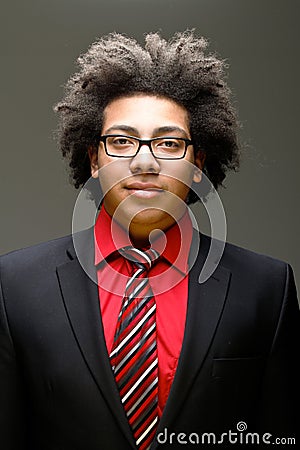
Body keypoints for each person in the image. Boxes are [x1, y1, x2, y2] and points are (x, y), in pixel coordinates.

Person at [0, 31, 299, 450]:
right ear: (93, 159)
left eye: (169, 142)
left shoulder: (266, 288)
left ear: (198, 163)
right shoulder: (14, 286)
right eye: (121, 141)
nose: (144, 160)